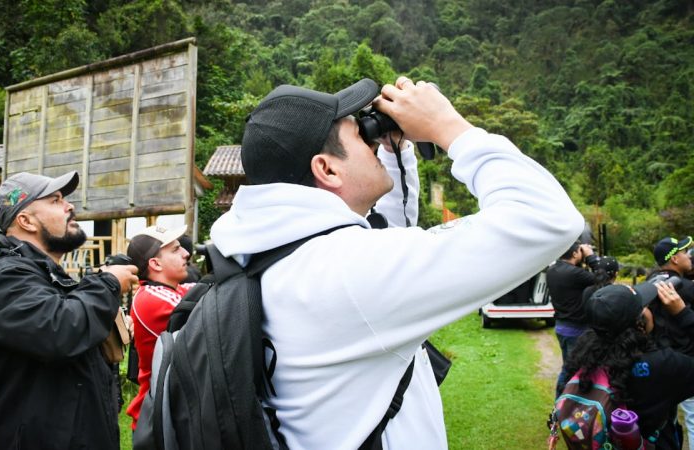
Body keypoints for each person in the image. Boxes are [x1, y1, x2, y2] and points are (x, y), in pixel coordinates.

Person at [208, 77, 582, 448]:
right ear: (327, 169)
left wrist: (392, 151)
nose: (371, 138)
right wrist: (448, 127)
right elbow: (546, 218)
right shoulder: (349, 273)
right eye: (359, 135)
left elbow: (383, 239)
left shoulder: (269, 255)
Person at [0, 171, 138, 449]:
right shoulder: (5, 278)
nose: (69, 206)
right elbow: (59, 332)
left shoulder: (42, 278)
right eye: (55, 200)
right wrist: (108, 283)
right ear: (25, 221)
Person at [565, 281, 694, 449]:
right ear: (639, 323)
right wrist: (684, 315)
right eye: (646, 305)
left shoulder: (585, 356)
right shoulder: (663, 365)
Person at [124, 224, 193, 429]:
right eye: (175, 249)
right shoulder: (152, 298)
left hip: (171, 410)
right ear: (155, 264)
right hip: (160, 417)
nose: (186, 253)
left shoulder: (175, 290)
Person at [646, 236, 694, 449]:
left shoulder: (649, 284)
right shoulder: (685, 287)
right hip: (686, 364)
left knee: (666, 419)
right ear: (674, 259)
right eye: (685, 252)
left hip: (659, 363)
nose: (689, 255)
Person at [546, 240, 601, 397]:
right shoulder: (574, 274)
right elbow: (601, 276)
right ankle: (562, 403)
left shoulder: (553, 270)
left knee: (569, 366)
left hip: (561, 327)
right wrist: (590, 257)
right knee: (572, 370)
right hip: (575, 330)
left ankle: (567, 402)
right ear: (575, 253)